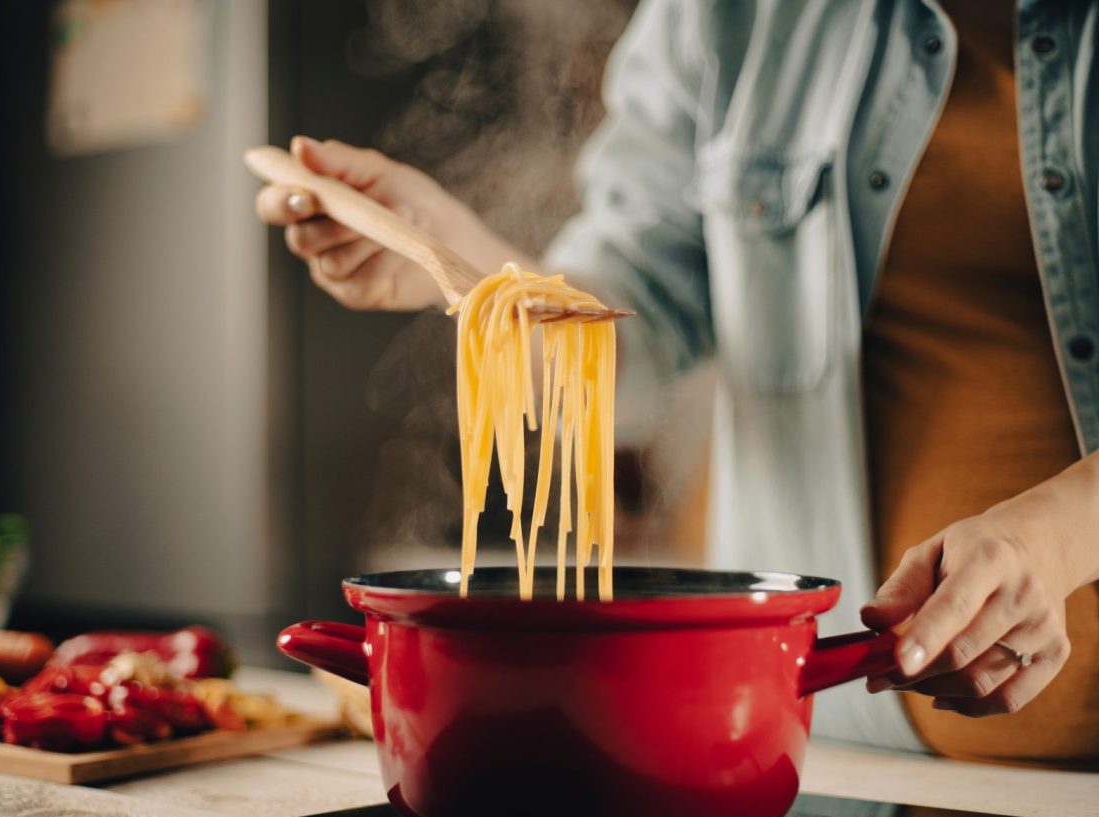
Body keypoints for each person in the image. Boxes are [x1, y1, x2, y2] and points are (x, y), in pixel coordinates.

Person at [256, 0, 1099, 769]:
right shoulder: (726, 17)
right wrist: (459, 259)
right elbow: (628, 338)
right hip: (821, 744)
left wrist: (1052, 540)